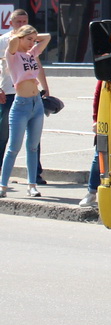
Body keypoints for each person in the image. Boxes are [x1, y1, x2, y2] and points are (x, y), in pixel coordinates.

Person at [0, 25, 50, 198]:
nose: (32, 43)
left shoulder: (32, 54)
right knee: (14, 147)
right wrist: (20, 35)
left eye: (33, 40)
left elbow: (48, 37)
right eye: (28, 39)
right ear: (20, 37)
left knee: (33, 147)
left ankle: (32, 185)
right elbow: (13, 43)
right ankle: (3, 186)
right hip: (21, 104)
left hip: (37, 104)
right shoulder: (12, 55)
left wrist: (33, 36)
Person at [79, 79, 102, 207]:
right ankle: (91, 192)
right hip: (108, 117)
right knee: (99, 157)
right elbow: (97, 96)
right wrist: (96, 119)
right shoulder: (106, 69)